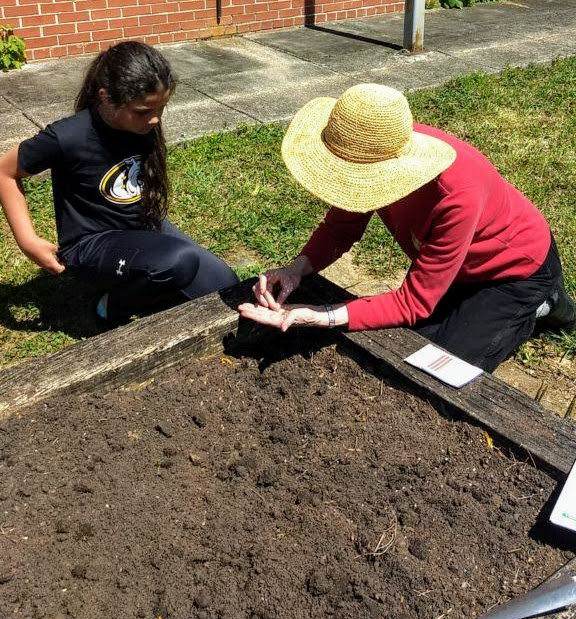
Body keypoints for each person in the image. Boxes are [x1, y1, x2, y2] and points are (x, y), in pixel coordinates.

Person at [238, 83, 575, 372]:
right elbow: (341, 228)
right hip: (458, 269)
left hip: (514, 271)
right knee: (404, 346)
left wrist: (319, 315)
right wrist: (296, 269)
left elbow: (413, 303)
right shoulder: (371, 144)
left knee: (437, 368)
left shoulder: (456, 194)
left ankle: (545, 303)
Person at [0, 40, 238, 327]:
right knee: (180, 261)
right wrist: (28, 242)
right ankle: (109, 306)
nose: (154, 119)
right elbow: (4, 171)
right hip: (92, 243)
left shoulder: (142, 122)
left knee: (227, 286)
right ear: (106, 97)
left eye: (161, 108)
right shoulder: (68, 136)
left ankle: (153, 274)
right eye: (142, 111)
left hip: (141, 225)